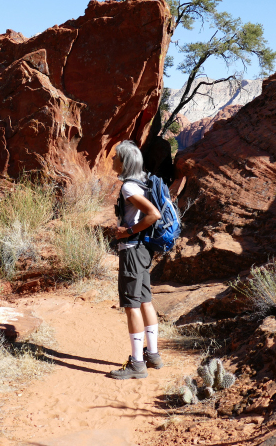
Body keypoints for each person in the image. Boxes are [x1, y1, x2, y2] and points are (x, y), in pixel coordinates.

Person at [107, 140, 164, 380]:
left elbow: (154, 214)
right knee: (145, 301)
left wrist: (128, 231)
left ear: (125, 161)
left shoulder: (130, 187)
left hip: (131, 249)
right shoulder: (144, 181)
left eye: (116, 157)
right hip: (143, 250)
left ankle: (137, 365)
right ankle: (152, 355)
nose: (112, 160)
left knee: (131, 305)